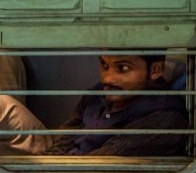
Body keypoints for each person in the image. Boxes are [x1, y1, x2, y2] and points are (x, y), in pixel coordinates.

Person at [46, 55, 188, 156]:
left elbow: (99, 164)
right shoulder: (96, 95)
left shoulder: (163, 119)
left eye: (123, 68)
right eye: (104, 66)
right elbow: (64, 140)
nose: (108, 78)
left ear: (155, 70)